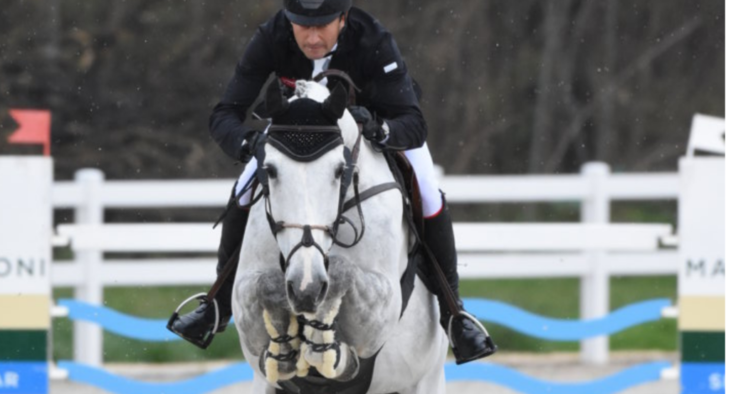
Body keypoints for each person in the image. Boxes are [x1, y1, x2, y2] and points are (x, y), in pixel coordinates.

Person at [170, 0, 496, 364]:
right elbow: (224, 114)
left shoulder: (373, 39)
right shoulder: (272, 35)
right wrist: (250, 143)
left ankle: (454, 315)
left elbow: (414, 124)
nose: (311, 37)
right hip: (294, 135)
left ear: (343, 18)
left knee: (428, 191)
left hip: (371, 131)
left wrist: (378, 127)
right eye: (301, 25)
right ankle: (216, 305)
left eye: (322, 25)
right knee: (244, 189)